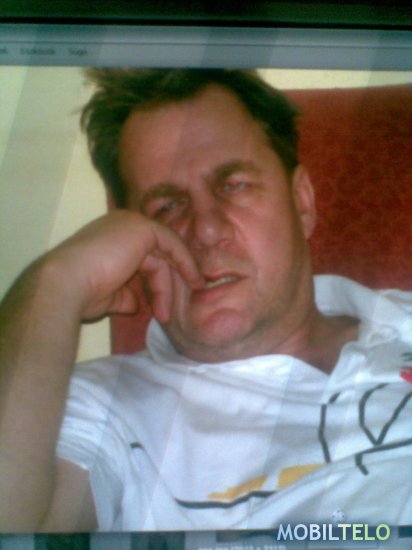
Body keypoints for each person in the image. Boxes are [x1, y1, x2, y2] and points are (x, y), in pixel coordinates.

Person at [0, 69, 411, 532]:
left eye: (234, 185)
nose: (206, 229)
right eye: (167, 206)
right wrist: (56, 281)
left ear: (302, 203)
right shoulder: (102, 407)